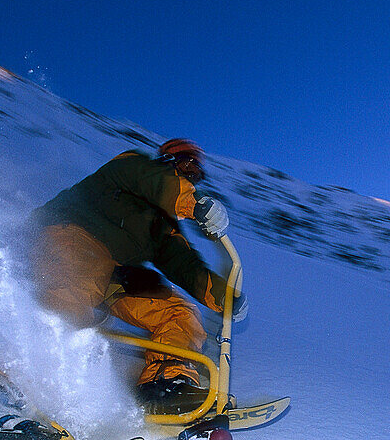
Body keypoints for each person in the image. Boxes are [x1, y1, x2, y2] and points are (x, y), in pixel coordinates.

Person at [29, 138, 247, 414]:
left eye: (196, 173)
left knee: (179, 312)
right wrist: (194, 203)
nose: (190, 175)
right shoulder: (130, 169)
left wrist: (224, 297)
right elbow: (154, 181)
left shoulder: (162, 227)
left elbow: (185, 265)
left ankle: (165, 385)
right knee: (75, 286)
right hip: (60, 242)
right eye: (185, 164)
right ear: (167, 161)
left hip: (107, 275)